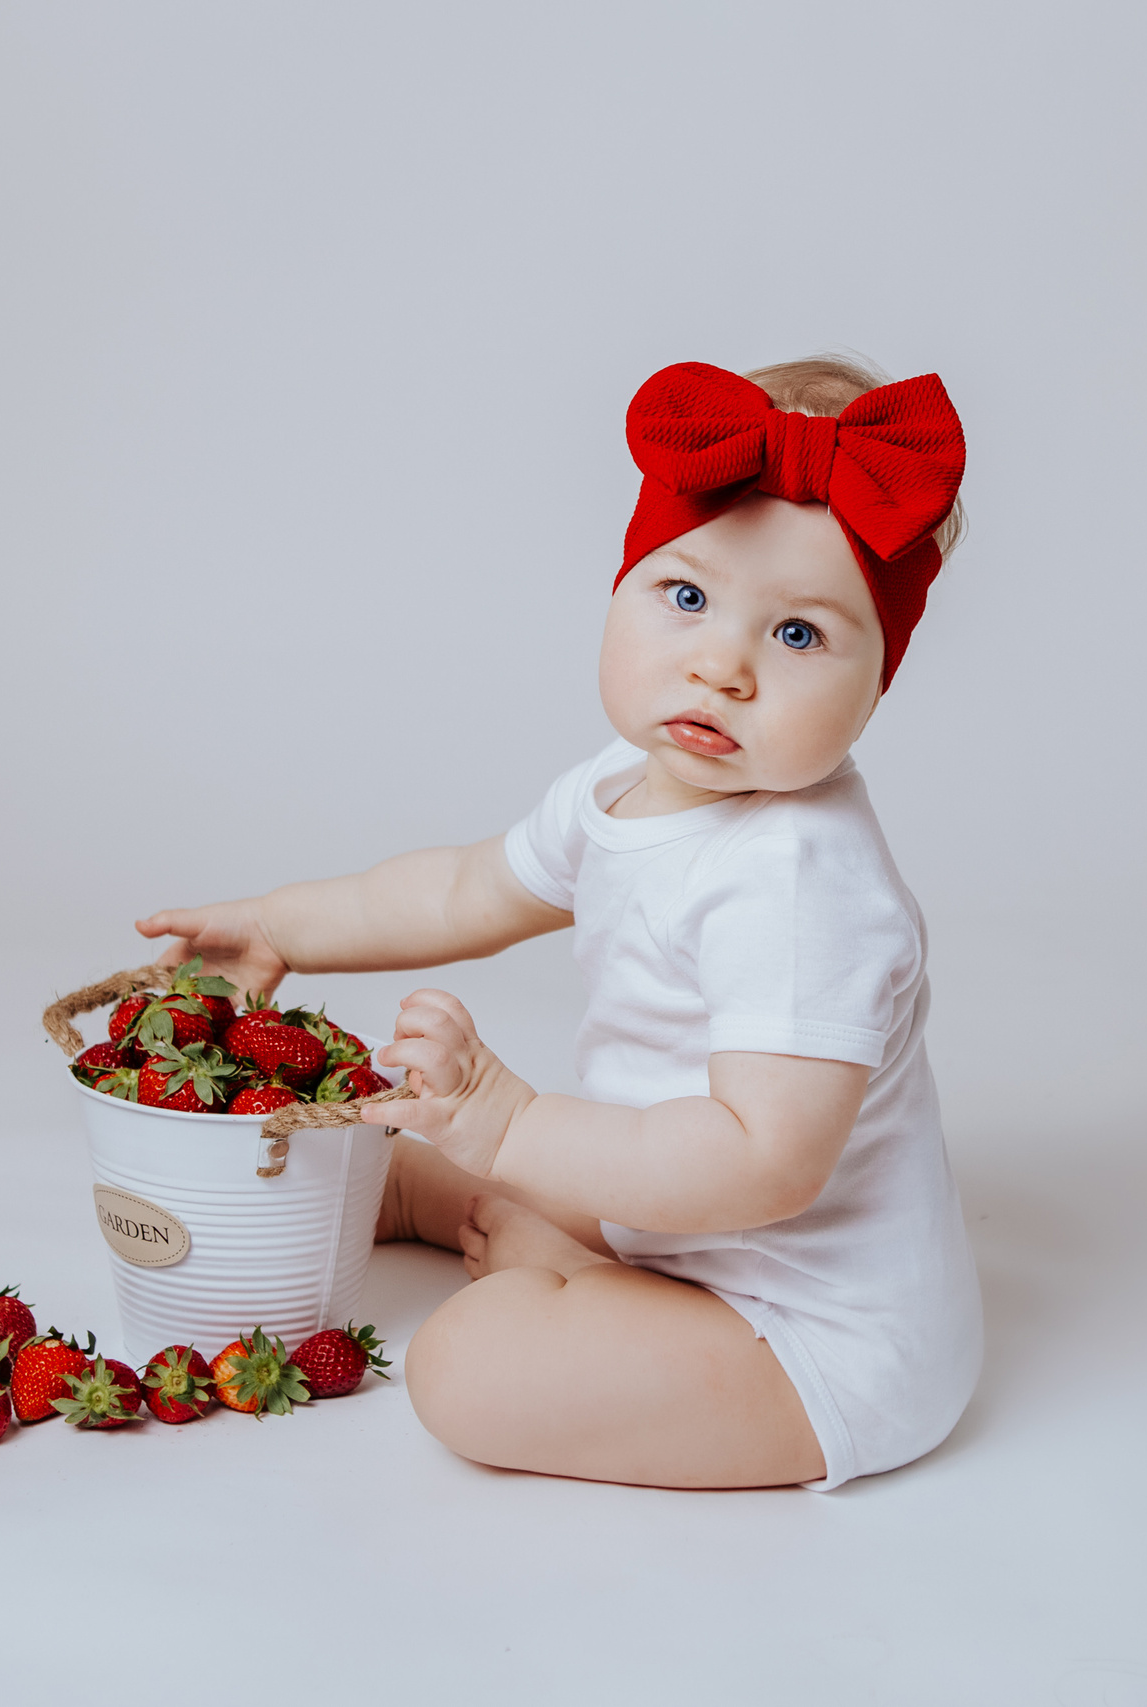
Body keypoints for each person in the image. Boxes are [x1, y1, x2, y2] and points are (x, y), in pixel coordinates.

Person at [136, 357, 981, 1490]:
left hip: (809, 1339)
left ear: (878, 682)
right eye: (685, 598)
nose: (720, 665)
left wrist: (510, 1125)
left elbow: (763, 1165)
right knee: (423, 1153)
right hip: (668, 1210)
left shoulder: (802, 883)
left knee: (466, 1372)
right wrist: (281, 925)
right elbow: (461, 890)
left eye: (796, 636)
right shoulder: (623, 788)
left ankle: (575, 1273)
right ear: (622, 585)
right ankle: (486, 1220)